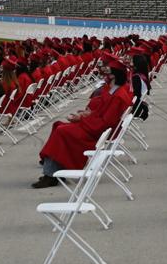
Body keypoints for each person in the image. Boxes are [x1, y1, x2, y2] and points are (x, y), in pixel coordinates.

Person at [32, 55, 133, 188]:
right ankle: (56, 172)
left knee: (61, 131)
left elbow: (105, 122)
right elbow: (102, 114)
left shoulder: (118, 96)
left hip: (100, 133)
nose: (105, 72)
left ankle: (50, 176)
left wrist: (83, 119)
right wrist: (87, 115)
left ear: (114, 75)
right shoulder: (115, 90)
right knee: (58, 126)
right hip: (96, 127)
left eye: (108, 70)